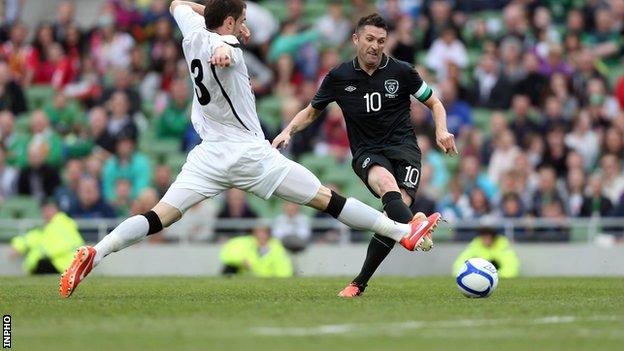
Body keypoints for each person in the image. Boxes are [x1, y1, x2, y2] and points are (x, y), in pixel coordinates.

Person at [59, 0, 438, 298]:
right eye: (241, 20)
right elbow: (225, 50)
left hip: (208, 156)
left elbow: (178, 3)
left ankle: (97, 251)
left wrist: (219, 20)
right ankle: (402, 228)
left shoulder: (193, 30)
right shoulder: (229, 46)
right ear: (228, 24)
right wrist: (226, 48)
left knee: (160, 215)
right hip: (249, 155)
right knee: (328, 199)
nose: (245, 27)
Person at [273, 13, 456, 297]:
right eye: (369, 39)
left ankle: (360, 282)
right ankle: (414, 227)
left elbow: (435, 102)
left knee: (390, 218)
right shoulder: (338, 76)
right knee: (386, 185)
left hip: (405, 151)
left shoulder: (403, 71)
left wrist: (441, 131)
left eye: (381, 41)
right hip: (368, 153)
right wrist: (288, 131)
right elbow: (311, 112)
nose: (375, 45)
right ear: (356, 39)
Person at [10, 199, 84, 274]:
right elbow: (35, 237)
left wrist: (33, 259)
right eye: (44, 210)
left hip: (63, 266)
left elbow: (46, 246)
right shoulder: (50, 227)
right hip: (64, 266)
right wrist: (18, 245)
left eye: (49, 209)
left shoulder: (61, 224)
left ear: (56, 210)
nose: (46, 213)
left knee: (41, 263)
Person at [220, 223, 293, 277]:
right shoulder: (245, 242)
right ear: (254, 233)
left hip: (269, 280)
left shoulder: (277, 247)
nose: (261, 235)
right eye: (258, 232)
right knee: (228, 268)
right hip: (246, 279)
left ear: (269, 235)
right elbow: (226, 255)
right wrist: (241, 261)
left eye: (264, 233)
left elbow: (284, 271)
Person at [452, 227, 520, 279]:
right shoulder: (474, 247)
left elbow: (511, 268)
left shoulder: (504, 248)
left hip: (497, 280)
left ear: (494, 236)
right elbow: (459, 265)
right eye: (484, 234)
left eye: (490, 234)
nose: (487, 237)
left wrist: (492, 276)